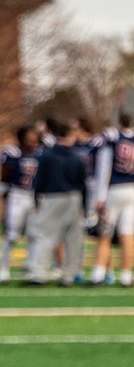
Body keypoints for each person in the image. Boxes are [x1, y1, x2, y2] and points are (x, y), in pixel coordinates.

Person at [89, 112, 134, 286]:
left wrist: (99, 196)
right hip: (133, 191)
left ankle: (98, 274)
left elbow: (105, 167)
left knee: (105, 234)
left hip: (114, 190)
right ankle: (125, 276)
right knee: (128, 234)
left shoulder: (113, 138)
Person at [27, 120, 90, 287]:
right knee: (73, 238)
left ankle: (39, 274)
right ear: (70, 134)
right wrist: (85, 206)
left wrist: (36, 199)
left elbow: (39, 179)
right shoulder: (77, 156)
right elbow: (83, 183)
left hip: (51, 197)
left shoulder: (47, 155)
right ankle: (69, 275)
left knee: (45, 236)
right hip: (73, 197)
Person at [0, 125, 38, 282]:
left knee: (33, 234)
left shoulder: (39, 154)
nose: (33, 142)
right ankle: (3, 268)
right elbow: (4, 175)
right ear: (22, 139)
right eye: (30, 139)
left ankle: (30, 267)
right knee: (12, 235)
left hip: (33, 196)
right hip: (17, 195)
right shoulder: (12, 153)